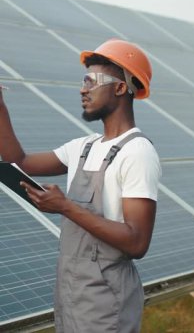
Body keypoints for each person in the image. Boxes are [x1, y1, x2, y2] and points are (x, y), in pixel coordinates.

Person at [0, 38, 161, 333]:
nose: (82, 88)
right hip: (71, 293)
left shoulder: (137, 152)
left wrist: (65, 207)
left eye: (91, 80)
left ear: (121, 87)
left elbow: (137, 242)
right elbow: (18, 162)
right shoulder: (83, 146)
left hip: (107, 303)